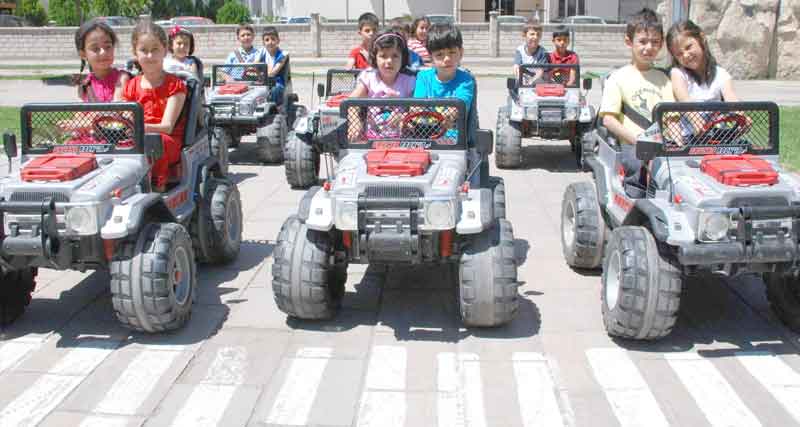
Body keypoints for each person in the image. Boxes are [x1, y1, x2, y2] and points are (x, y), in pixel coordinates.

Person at [598, 8, 674, 190]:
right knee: (638, 167)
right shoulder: (617, 78)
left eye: (655, 42)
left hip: (662, 143)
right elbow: (608, 120)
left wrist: (676, 141)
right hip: (632, 143)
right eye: (643, 41)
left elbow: (672, 118)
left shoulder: (664, 79)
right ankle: (635, 202)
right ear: (629, 41)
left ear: (661, 44)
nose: (649, 47)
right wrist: (638, 141)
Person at [119, 21, 187, 193]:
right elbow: (123, 117)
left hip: (166, 140)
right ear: (135, 53)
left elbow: (167, 127)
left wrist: (135, 127)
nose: (150, 56)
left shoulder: (174, 85)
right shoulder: (131, 86)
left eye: (155, 49)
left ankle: (157, 186)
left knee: (153, 141)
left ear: (165, 50)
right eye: (144, 50)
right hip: (137, 137)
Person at [348, 29, 417, 139]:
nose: (389, 61)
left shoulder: (409, 81)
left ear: (403, 58)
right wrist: (355, 122)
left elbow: (417, 110)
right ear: (375, 57)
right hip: (372, 139)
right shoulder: (369, 78)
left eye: (395, 56)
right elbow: (350, 103)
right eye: (383, 56)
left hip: (402, 140)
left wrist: (403, 116)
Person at [667, 20, 738, 103]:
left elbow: (732, 102)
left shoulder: (721, 74)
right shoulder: (678, 74)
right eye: (679, 54)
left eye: (688, 47)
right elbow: (686, 105)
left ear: (702, 38)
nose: (685, 55)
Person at [73, 18, 129, 102]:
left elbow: (117, 106)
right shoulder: (84, 86)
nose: (103, 52)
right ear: (83, 54)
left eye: (108, 47)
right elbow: (79, 110)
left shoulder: (122, 78)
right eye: (95, 48)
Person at [259, 26, 288, 105]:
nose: (270, 42)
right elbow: (254, 66)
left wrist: (261, 72)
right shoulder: (262, 52)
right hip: (263, 82)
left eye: (273, 39)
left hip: (276, 83)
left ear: (278, 40)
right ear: (263, 43)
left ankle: (275, 108)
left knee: (275, 89)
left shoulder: (283, 54)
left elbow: (273, 73)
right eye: (267, 40)